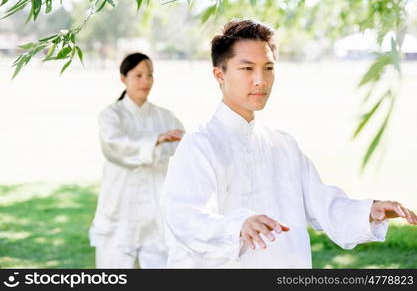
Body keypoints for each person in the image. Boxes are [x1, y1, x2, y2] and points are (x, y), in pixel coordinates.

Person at [161, 20, 417, 268]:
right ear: (220, 74)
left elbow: (322, 204)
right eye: (247, 68)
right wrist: (238, 226)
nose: (260, 80)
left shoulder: (282, 145)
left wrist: (370, 211)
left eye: (269, 68)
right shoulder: (200, 145)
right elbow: (186, 218)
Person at [89, 52, 184, 268]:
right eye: (138, 75)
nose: (145, 81)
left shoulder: (166, 116)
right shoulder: (111, 115)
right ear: (123, 78)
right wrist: (156, 140)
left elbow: (183, 150)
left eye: (150, 75)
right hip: (120, 205)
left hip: (155, 206)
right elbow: (114, 146)